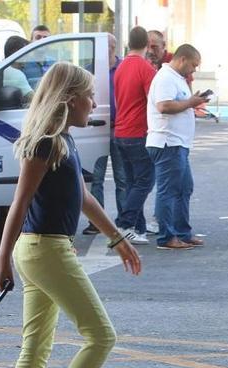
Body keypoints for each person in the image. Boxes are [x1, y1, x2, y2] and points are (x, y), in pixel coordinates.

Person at [0, 62, 141, 368]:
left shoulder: (64, 141)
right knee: (101, 336)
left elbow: (82, 199)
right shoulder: (44, 143)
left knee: (34, 350)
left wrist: (117, 238)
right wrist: (1, 261)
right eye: (90, 95)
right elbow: (18, 205)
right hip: (43, 249)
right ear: (69, 99)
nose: (94, 102)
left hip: (46, 249)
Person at [146, 44, 209, 250]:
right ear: (182, 59)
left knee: (184, 188)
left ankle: (182, 231)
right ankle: (166, 236)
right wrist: (191, 102)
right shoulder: (165, 78)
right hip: (168, 143)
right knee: (169, 190)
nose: (194, 70)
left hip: (177, 144)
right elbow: (163, 106)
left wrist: (192, 101)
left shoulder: (177, 79)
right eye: (193, 65)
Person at [113, 26, 157, 245]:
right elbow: (155, 102)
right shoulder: (146, 69)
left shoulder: (120, 67)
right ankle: (124, 223)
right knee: (145, 180)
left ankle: (137, 229)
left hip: (120, 130)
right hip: (138, 131)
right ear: (147, 45)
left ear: (128, 43)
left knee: (132, 181)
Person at [84, 33, 127, 235]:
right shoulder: (91, 69)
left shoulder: (123, 68)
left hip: (119, 129)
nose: (107, 50)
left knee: (122, 177)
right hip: (97, 128)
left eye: (110, 46)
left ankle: (124, 220)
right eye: (104, 46)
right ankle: (96, 221)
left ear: (115, 47)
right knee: (96, 177)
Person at [2, 36, 35, 102]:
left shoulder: (0, 69)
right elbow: (35, 101)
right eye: (26, 52)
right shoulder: (16, 74)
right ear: (17, 52)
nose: (28, 56)